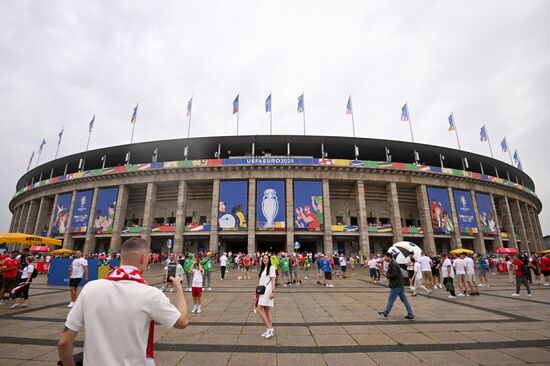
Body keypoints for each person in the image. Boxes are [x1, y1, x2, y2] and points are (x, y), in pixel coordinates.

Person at [58, 237, 189, 366]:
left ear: (121, 257)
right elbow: (182, 322)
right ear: (144, 258)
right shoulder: (150, 294)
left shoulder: (90, 288)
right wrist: (178, 288)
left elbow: (64, 342)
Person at [378, 252, 414, 319]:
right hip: (399, 284)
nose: (384, 259)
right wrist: (386, 272)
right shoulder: (392, 263)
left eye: (385, 257)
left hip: (396, 285)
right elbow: (392, 272)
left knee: (391, 299)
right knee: (405, 300)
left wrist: (386, 275)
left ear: (389, 257)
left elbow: (394, 275)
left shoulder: (393, 264)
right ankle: (411, 314)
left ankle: (386, 313)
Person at [255, 254, 276, 339]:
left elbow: (273, 280)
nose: (265, 259)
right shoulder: (263, 268)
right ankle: (269, 329)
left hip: (267, 291)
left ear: (269, 259)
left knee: (259, 308)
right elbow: (261, 281)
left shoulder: (271, 267)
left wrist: (273, 292)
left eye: (267, 258)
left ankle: (269, 328)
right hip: (262, 290)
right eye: (264, 258)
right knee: (267, 310)